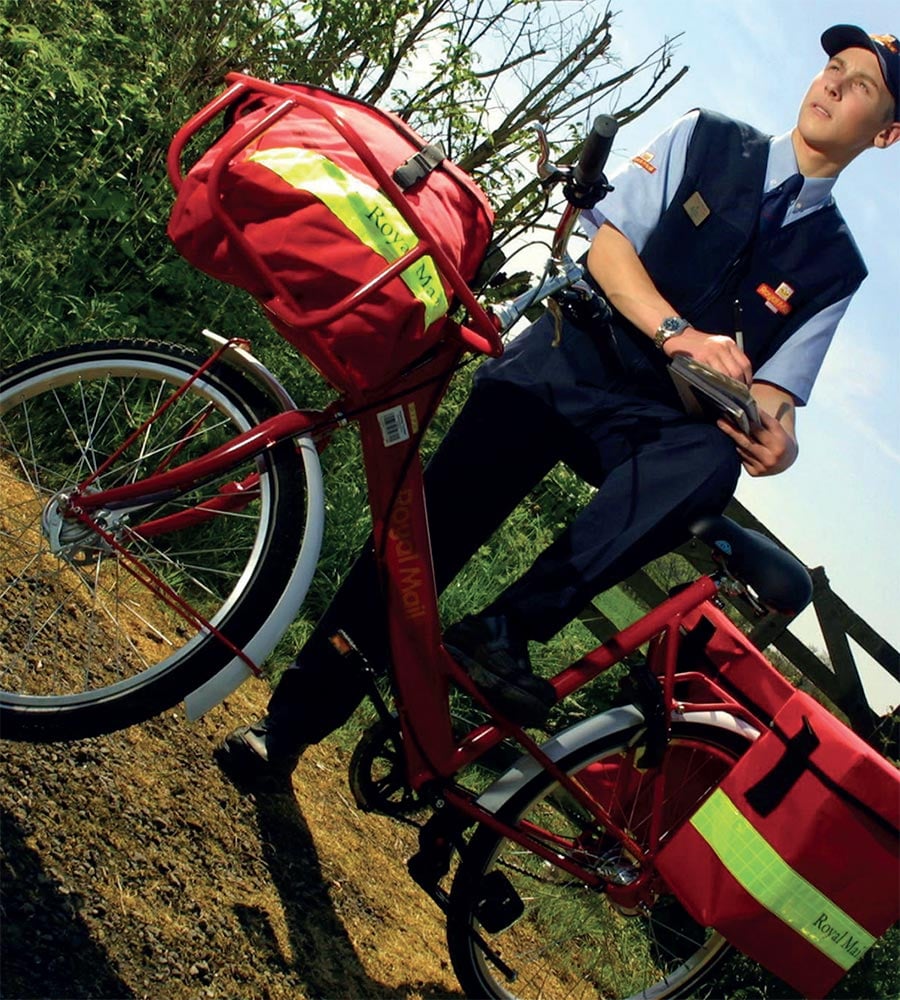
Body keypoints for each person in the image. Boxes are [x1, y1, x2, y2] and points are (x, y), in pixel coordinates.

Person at [217, 24, 900, 786]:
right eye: (834, 68)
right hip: (570, 355)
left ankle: (505, 630)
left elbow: (775, 398)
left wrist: (783, 444)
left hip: (657, 423)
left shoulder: (837, 266)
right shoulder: (708, 138)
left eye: (862, 85)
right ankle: (286, 729)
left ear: (886, 133)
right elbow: (606, 247)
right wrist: (677, 332)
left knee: (713, 461)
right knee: (420, 542)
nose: (835, 85)